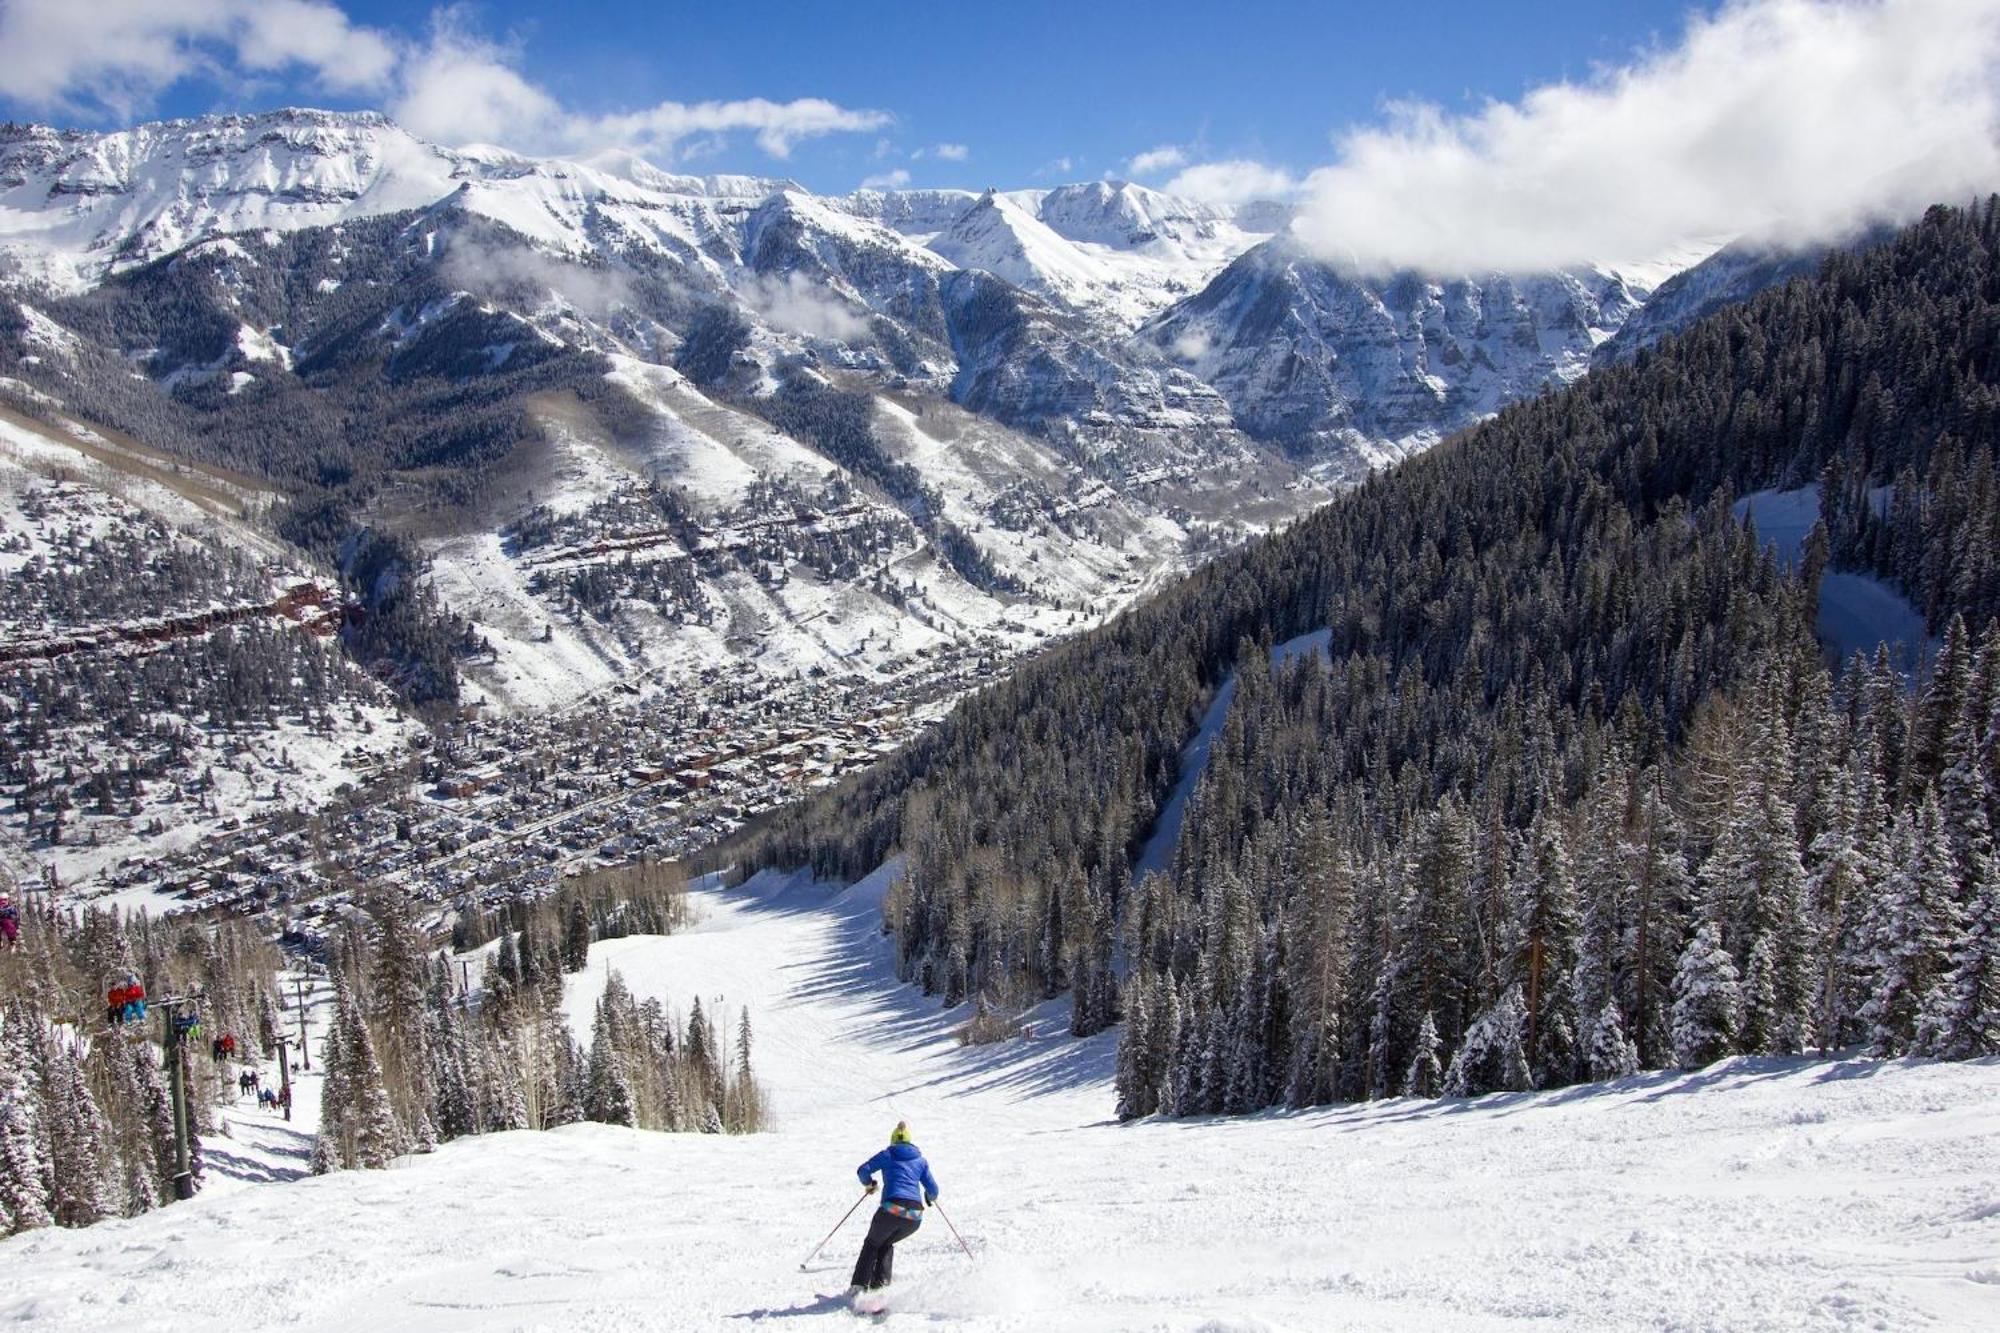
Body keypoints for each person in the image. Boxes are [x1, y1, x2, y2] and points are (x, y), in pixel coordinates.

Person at [849, 1121, 940, 1295]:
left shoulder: (888, 1154)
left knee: (872, 1243)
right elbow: (933, 1190)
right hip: (914, 1216)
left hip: (892, 1208)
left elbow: (863, 1171)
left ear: (893, 1141)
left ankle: (859, 1287)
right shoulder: (921, 1161)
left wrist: (869, 1184)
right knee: (885, 1242)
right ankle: (880, 1288)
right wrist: (930, 1197)